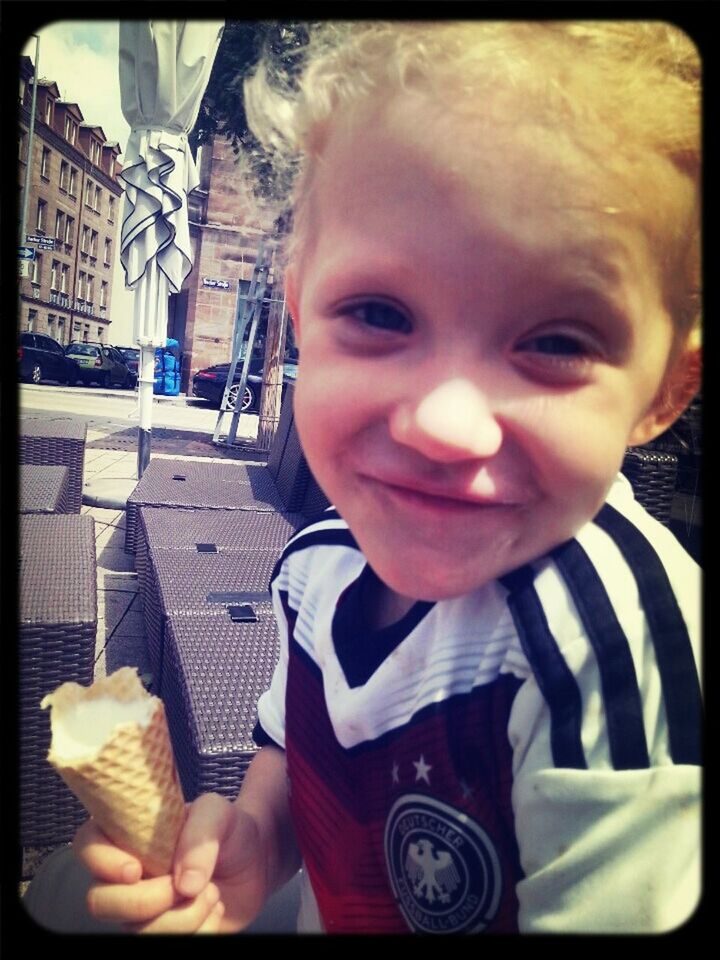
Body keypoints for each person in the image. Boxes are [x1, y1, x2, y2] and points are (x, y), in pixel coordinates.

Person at [25, 20, 701, 934]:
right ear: (301, 316)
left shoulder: (607, 644)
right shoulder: (319, 564)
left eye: (555, 341)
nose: (443, 424)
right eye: (380, 313)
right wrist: (260, 835)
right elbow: (290, 741)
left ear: (663, 391)